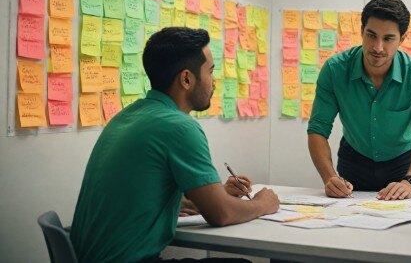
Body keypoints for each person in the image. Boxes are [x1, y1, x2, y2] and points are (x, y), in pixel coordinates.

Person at [70, 27, 279, 263]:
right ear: (187, 79)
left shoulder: (128, 116)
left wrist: (213, 195)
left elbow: (141, 195)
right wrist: (263, 204)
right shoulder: (179, 127)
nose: (213, 81)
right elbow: (221, 214)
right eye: (210, 72)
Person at [307, 0, 411, 200]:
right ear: (361, 31)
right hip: (353, 161)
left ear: (402, 39)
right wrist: (329, 177)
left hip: (402, 165)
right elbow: (317, 129)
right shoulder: (334, 71)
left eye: (388, 39)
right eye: (371, 35)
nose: (377, 47)